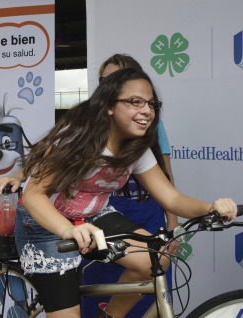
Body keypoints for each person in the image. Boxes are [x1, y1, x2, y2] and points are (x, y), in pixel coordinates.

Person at [0, 68, 238, 318]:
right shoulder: (76, 139)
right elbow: (33, 195)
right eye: (135, 102)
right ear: (108, 106)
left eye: (151, 103)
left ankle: (109, 316)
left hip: (93, 216)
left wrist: (211, 207)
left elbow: (171, 198)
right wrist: (67, 230)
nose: (147, 110)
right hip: (45, 223)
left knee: (156, 259)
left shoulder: (138, 150)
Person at [81, 54, 180, 317]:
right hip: (105, 224)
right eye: (104, 80)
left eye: (116, 78)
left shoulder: (150, 126)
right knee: (97, 297)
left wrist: (173, 225)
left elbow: (167, 180)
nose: (108, 84)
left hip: (145, 219)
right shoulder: (88, 130)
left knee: (148, 292)